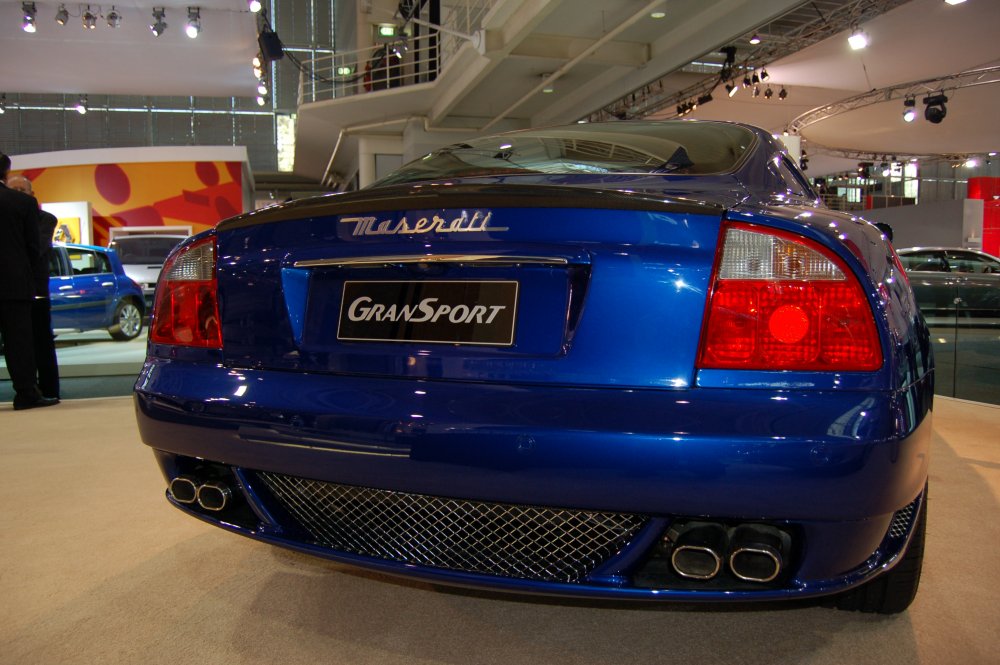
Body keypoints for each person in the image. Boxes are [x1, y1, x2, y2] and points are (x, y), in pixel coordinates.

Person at [0, 153, 58, 410]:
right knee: (19, 342)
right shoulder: (21, 204)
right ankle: (25, 393)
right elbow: (33, 248)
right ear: (5, 173)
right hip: (15, 284)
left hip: (18, 285)